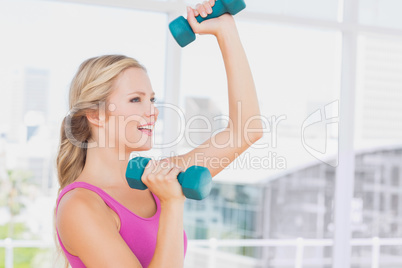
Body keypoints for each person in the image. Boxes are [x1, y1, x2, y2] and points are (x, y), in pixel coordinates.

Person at [54, 0, 263, 267]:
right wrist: (173, 204)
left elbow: (247, 130)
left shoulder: (157, 178)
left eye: (152, 99)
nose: (153, 111)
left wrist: (225, 31)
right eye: (136, 100)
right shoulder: (80, 206)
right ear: (95, 115)